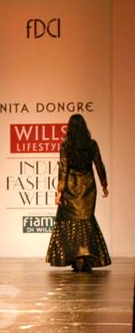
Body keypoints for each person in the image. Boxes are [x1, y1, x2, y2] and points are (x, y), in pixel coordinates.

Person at [46, 114, 111, 271]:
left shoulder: (66, 146)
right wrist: (104, 184)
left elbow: (63, 170)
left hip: (70, 188)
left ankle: (75, 256)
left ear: (70, 128)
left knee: (70, 223)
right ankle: (85, 256)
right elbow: (99, 164)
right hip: (88, 188)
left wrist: (59, 192)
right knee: (86, 221)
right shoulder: (92, 144)